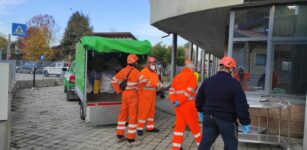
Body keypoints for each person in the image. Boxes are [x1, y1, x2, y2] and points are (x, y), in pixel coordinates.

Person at [196, 56, 251, 150]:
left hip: (209, 118)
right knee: (231, 144)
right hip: (226, 120)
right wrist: (245, 121)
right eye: (233, 69)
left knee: (205, 143)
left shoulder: (208, 81)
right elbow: (241, 105)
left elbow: (199, 99)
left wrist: (200, 110)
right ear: (230, 68)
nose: (233, 71)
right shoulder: (234, 84)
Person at [111, 54, 146, 147]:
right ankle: (131, 139)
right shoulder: (136, 72)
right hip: (133, 96)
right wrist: (138, 88)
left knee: (122, 115)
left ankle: (120, 135)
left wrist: (119, 90)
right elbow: (143, 82)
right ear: (135, 62)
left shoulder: (122, 71)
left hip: (124, 95)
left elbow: (113, 80)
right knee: (133, 116)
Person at [169, 59, 202, 150]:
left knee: (179, 127)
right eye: (194, 67)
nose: (195, 68)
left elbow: (171, 90)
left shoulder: (177, 77)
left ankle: (176, 147)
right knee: (195, 126)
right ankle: (202, 146)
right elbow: (189, 91)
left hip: (178, 107)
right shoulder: (192, 76)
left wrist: (174, 101)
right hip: (188, 106)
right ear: (190, 67)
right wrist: (180, 100)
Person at [137, 56, 162, 136]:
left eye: (154, 63)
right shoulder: (144, 71)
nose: (153, 64)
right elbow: (143, 82)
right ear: (148, 63)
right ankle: (139, 128)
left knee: (151, 112)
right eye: (152, 63)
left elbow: (157, 81)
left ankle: (150, 127)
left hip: (152, 95)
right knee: (143, 112)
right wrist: (155, 84)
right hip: (144, 95)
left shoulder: (154, 72)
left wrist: (159, 85)